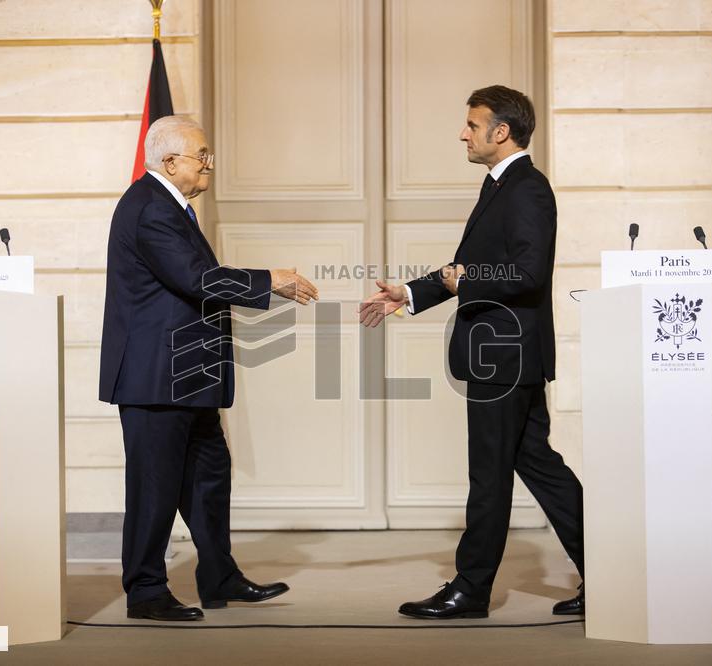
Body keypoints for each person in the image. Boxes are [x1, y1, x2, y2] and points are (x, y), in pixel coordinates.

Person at [359, 85, 584, 619]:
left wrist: (464, 283)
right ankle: (613, 570)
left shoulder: (527, 189)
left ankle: (471, 589)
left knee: (489, 474)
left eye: (472, 124)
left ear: (500, 132)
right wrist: (412, 293)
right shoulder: (501, 187)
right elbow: (468, 268)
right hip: (506, 356)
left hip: (505, 357)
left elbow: (527, 275)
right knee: (541, 468)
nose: (463, 132)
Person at [100, 115, 318, 621]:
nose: (209, 164)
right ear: (170, 161)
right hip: (157, 378)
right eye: (202, 155)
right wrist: (271, 280)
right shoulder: (150, 208)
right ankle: (146, 591)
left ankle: (219, 576)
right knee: (154, 489)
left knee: (209, 476)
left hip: (189, 375)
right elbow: (197, 279)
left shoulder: (171, 208)